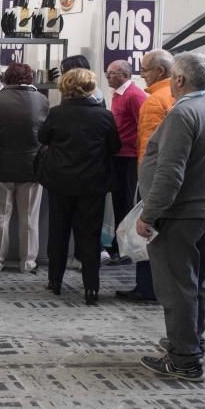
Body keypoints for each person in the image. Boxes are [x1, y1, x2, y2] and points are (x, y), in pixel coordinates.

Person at [136, 52, 205, 382]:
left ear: (179, 80)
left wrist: (149, 213)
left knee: (177, 288)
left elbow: (170, 172)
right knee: (195, 285)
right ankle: (189, 342)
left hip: (182, 215)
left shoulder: (183, 114)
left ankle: (184, 360)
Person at [36, 68, 120, 305]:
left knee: (58, 231)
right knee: (90, 235)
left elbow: (43, 138)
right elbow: (114, 146)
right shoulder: (104, 116)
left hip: (60, 181)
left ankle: (55, 281)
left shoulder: (57, 113)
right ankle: (91, 288)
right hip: (93, 183)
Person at [118, 49, 176, 302]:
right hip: (177, 180)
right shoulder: (176, 97)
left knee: (147, 233)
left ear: (160, 71)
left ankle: (146, 287)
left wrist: (145, 182)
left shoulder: (154, 101)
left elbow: (150, 148)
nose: (142, 76)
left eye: (144, 70)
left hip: (155, 180)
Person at [0, 62, 49, 273]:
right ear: (30, 78)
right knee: (29, 218)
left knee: (0, 217)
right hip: (31, 168)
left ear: (6, 78)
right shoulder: (42, 101)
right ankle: (27, 263)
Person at [106, 59, 146, 266]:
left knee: (126, 203)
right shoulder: (119, 94)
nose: (107, 76)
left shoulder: (134, 95)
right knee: (118, 201)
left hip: (129, 157)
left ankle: (126, 250)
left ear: (124, 74)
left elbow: (144, 125)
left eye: (111, 73)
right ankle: (117, 245)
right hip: (118, 155)